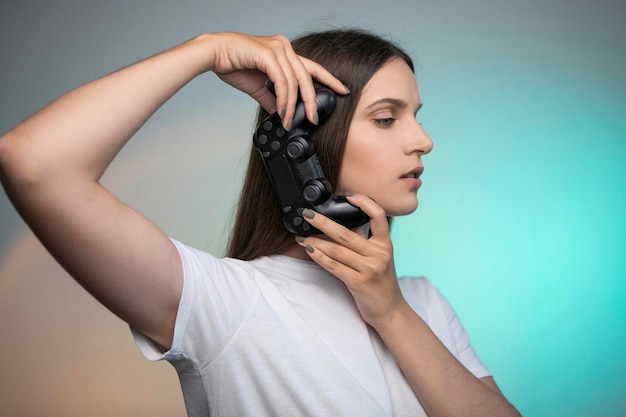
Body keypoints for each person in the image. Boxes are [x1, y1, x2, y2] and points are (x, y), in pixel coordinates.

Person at [0, 29, 521, 416]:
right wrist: (205, 52)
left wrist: (392, 315)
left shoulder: (423, 304)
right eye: (387, 118)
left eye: (416, 114)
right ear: (306, 145)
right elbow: (34, 162)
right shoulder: (224, 303)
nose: (422, 140)